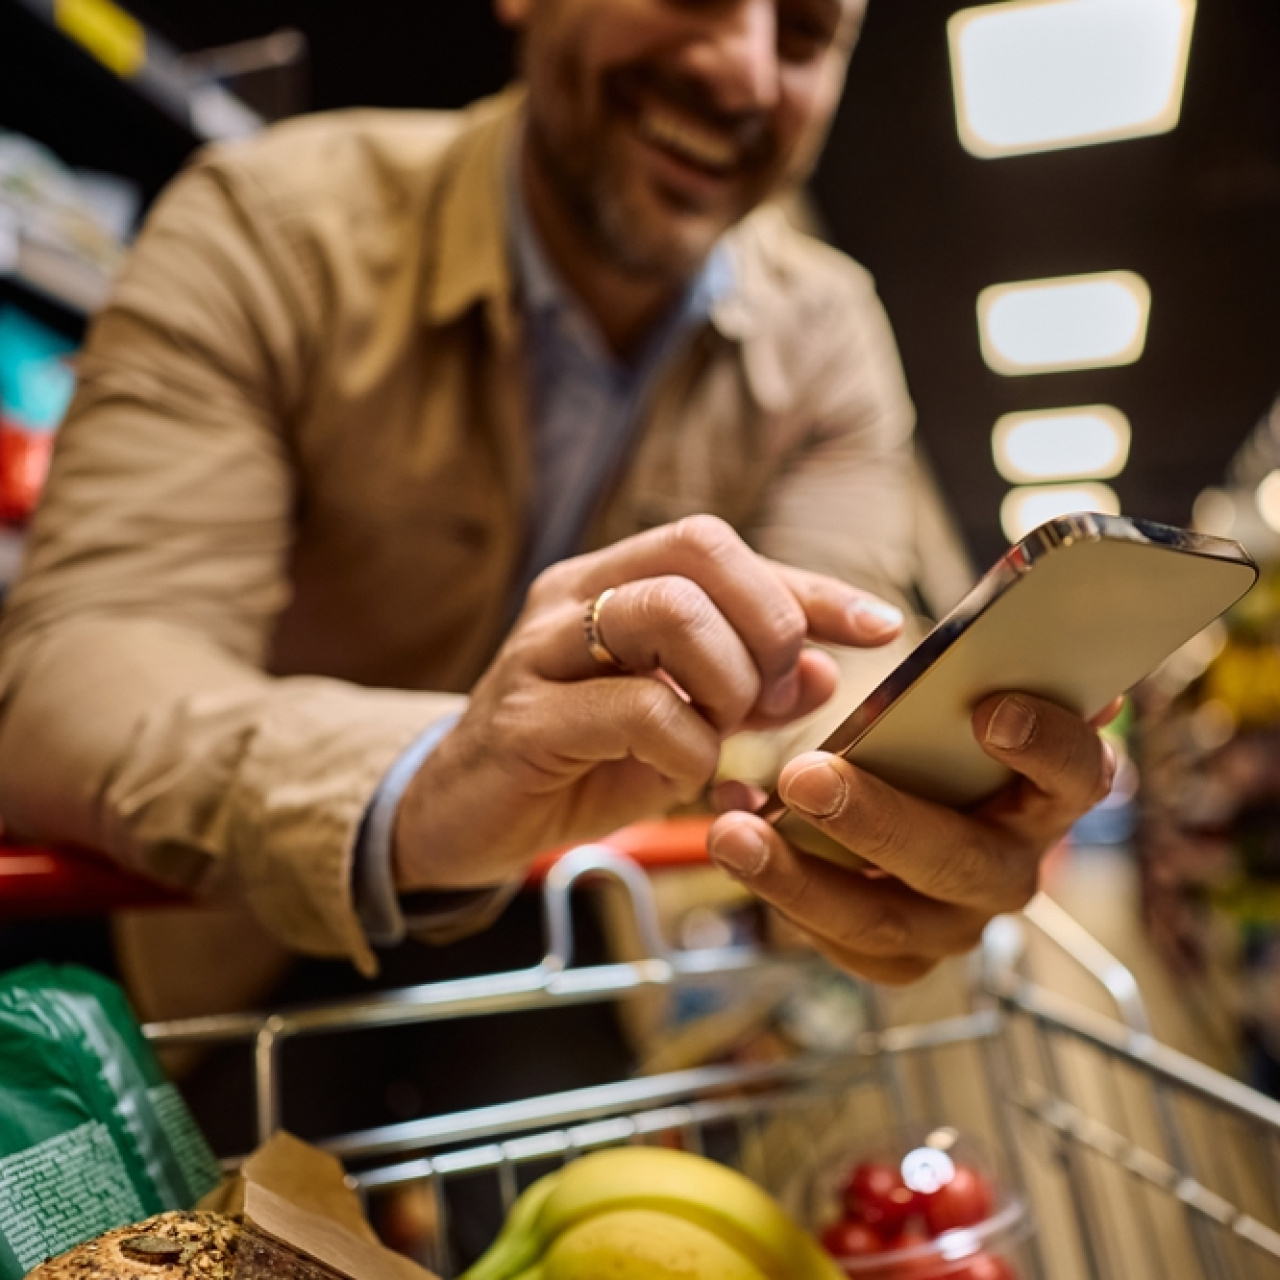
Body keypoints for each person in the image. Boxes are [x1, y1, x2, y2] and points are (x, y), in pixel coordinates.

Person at [0, 0, 1113, 1006]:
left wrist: (919, 779)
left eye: (808, 33)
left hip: (567, 943)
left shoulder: (827, 326)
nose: (744, 72)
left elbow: (830, 651)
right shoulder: (269, 220)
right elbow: (74, 668)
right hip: (225, 937)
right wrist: (429, 777)